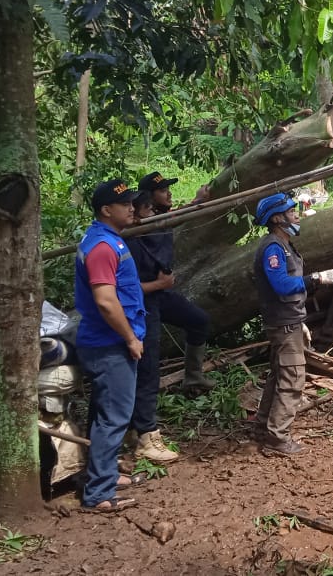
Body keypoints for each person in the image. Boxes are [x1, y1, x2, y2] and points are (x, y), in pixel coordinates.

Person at [251, 192, 333, 456]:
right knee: (293, 378)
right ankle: (277, 439)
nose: (296, 215)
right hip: (283, 323)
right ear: (278, 218)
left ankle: (263, 428)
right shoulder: (273, 247)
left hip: (288, 321)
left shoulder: (284, 244)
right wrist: (318, 277)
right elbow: (281, 285)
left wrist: (299, 320)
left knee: (279, 374)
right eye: (291, 211)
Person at [74, 179, 146, 512]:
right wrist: (130, 338)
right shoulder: (102, 247)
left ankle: (101, 474)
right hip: (109, 344)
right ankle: (99, 493)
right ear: (106, 210)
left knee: (104, 412)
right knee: (113, 417)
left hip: (106, 341)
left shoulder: (106, 241)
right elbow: (106, 301)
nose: (132, 208)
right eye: (126, 204)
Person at [136, 171, 215, 401]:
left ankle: (193, 376)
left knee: (198, 320)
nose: (169, 193)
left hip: (161, 292)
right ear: (148, 198)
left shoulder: (160, 214)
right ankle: (141, 407)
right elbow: (174, 218)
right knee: (148, 351)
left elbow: (174, 216)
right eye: (163, 190)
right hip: (142, 294)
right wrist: (198, 202)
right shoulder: (144, 221)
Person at [124, 190, 181, 463]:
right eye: (146, 211)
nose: (150, 216)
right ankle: (145, 434)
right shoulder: (126, 243)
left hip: (145, 310)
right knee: (145, 374)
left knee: (139, 374)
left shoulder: (132, 238)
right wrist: (159, 284)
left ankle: (133, 429)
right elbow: (122, 288)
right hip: (138, 314)